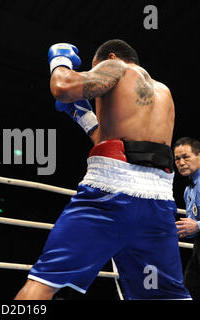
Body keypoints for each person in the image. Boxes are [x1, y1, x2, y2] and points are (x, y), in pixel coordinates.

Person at [15, 39, 190, 299]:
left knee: (44, 280)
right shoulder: (164, 92)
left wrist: (59, 60)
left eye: (93, 68)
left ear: (108, 57)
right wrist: (82, 116)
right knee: (164, 296)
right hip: (158, 205)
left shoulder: (114, 67)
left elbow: (62, 86)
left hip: (108, 196)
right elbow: (118, 142)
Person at [174, 137, 200, 299]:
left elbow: (196, 225)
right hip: (198, 247)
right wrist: (179, 230)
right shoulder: (188, 191)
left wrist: (197, 226)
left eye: (186, 157)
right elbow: (191, 227)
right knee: (189, 291)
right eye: (177, 159)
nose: (181, 162)